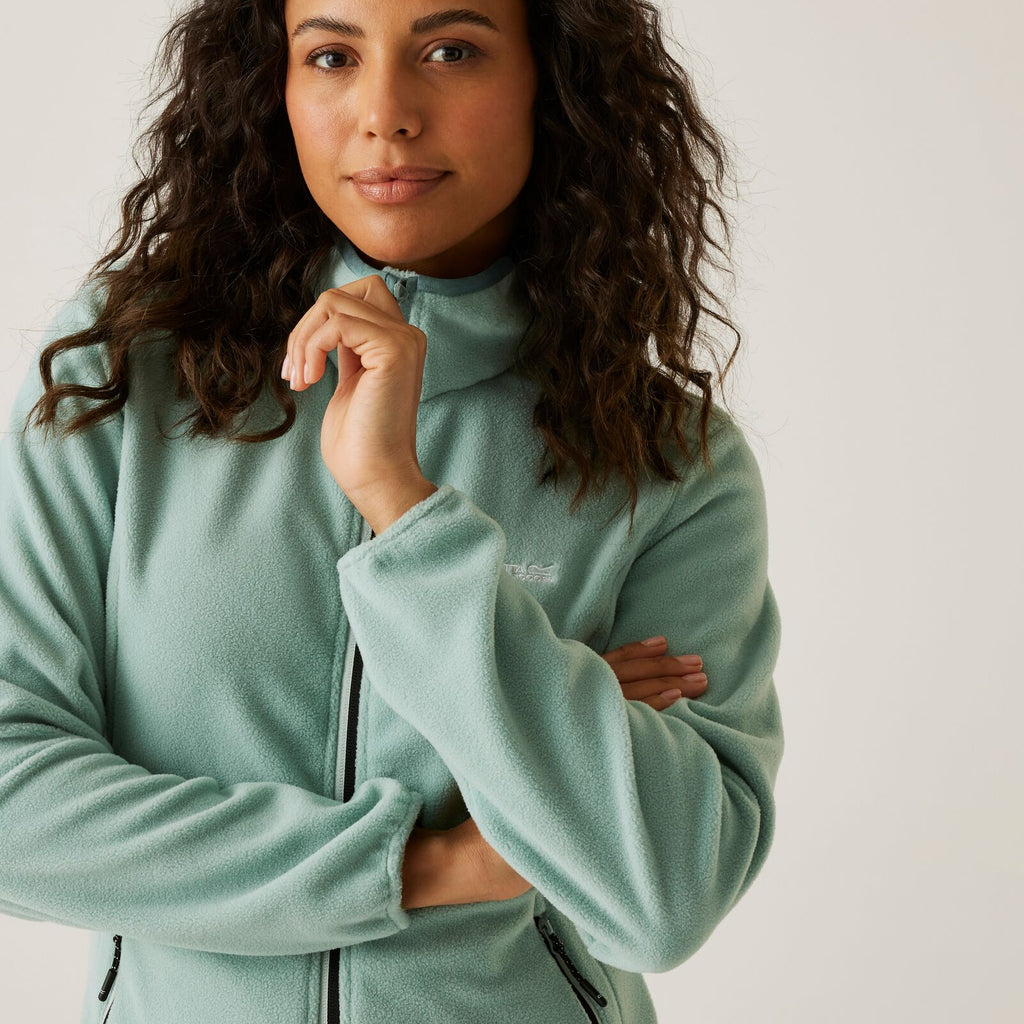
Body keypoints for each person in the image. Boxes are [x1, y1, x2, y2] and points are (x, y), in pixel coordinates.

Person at [0, 0, 784, 1021]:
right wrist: (426, 863)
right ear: (274, 86)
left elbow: (663, 894)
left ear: (553, 78)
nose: (385, 112)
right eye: (332, 54)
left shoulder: (665, 460)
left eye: (451, 51)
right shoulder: (126, 375)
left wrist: (402, 508)